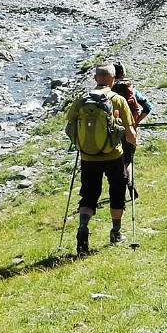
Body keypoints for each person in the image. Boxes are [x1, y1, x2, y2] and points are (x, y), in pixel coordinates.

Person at [65, 64, 136, 254]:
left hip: (88, 157)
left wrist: (80, 143)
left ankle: (83, 227)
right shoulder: (118, 99)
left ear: (96, 78)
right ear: (113, 79)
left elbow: (69, 125)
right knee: (116, 193)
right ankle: (116, 232)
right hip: (113, 156)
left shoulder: (81, 99)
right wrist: (134, 144)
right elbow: (129, 132)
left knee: (88, 195)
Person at [111, 61, 146, 195]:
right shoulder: (131, 91)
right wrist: (136, 122)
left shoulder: (108, 92)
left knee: (114, 161)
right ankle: (130, 184)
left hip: (112, 131)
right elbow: (148, 107)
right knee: (128, 160)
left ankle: (118, 186)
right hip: (129, 129)